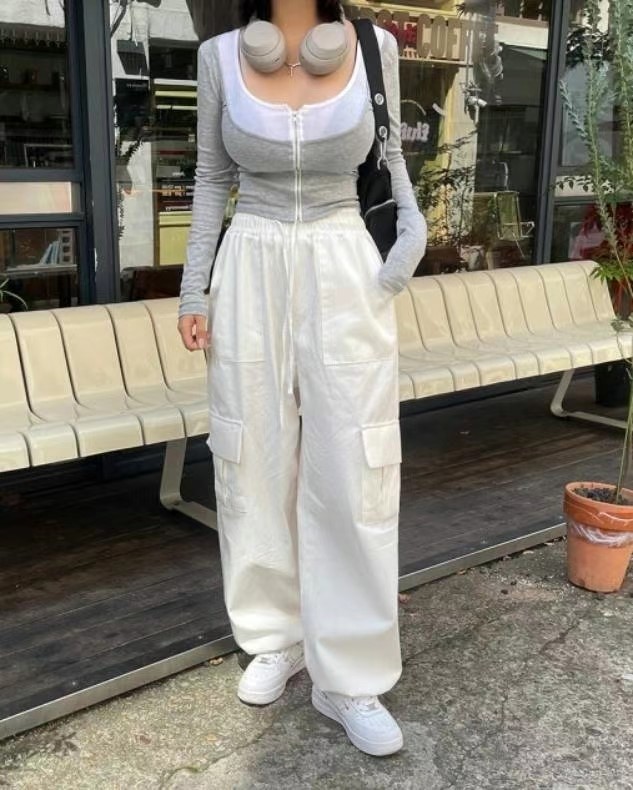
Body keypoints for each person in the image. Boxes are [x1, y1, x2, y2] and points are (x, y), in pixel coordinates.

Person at [177, 0, 427, 757]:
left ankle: (348, 675)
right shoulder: (220, 56)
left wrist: (408, 241)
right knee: (250, 460)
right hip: (249, 261)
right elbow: (211, 177)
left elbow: (391, 158)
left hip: (343, 260)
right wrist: (193, 291)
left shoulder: (373, 46)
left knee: (354, 466)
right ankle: (274, 637)